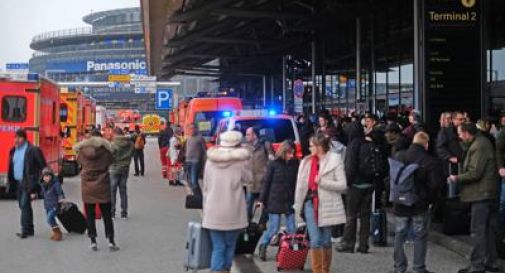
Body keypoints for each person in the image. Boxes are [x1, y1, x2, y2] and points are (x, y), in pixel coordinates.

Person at [448, 123, 499, 273]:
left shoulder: (479, 145)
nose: (459, 136)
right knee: (488, 230)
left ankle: (477, 265)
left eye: (460, 133)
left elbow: (475, 172)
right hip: (487, 193)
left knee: (478, 230)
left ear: (466, 133)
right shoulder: (480, 143)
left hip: (481, 194)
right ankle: (490, 262)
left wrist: (456, 178)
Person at [294, 133, 347, 273]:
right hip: (310, 203)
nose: (309, 148)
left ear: (319, 147)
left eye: (311, 146)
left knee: (326, 241)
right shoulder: (306, 161)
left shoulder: (335, 160)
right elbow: (300, 187)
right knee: (315, 240)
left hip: (327, 204)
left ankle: (325, 270)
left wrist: (322, 182)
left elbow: (343, 185)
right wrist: (297, 206)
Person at [202, 131, 252, 273]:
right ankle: (226, 269)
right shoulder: (240, 161)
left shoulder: (210, 161)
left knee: (218, 246)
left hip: (213, 210)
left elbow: (205, 185)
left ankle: (216, 270)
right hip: (233, 210)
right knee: (230, 245)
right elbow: (249, 179)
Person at [393, 132, 441, 273]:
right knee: (420, 236)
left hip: (400, 203)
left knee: (399, 235)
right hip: (419, 204)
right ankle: (418, 267)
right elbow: (434, 185)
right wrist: (429, 201)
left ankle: (399, 267)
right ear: (426, 144)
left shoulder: (399, 156)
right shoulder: (429, 160)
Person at [338, 122, 387, 254]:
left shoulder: (353, 145)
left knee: (351, 215)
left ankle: (348, 244)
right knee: (365, 216)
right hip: (370, 184)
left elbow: (350, 167)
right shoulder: (370, 144)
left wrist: (346, 183)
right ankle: (363, 245)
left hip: (355, 185)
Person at [74, 130, 119, 251]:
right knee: (107, 215)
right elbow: (111, 161)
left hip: (87, 186)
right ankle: (111, 241)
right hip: (103, 184)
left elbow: (78, 161)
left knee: (90, 215)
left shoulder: (82, 150)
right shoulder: (105, 151)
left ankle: (93, 241)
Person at [256, 140, 299, 261]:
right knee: (273, 228)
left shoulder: (295, 163)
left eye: (293, 153)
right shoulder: (273, 164)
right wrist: (261, 199)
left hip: (289, 200)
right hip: (274, 199)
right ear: (283, 152)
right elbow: (266, 183)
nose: (291, 156)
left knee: (292, 229)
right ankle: (263, 245)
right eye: (289, 153)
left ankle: (286, 251)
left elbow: (296, 182)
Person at [8, 129, 47, 239]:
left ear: (24, 139)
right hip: (17, 182)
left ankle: (25, 230)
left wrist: (40, 181)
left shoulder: (33, 150)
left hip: (29, 182)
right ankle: (30, 228)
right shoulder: (13, 151)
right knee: (22, 205)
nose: (17, 140)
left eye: (19, 138)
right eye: (15, 137)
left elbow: (42, 165)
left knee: (25, 204)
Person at [245, 126, 272, 220]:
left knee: (264, 205)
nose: (246, 136)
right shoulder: (246, 147)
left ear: (255, 135)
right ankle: (246, 224)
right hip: (251, 182)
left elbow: (272, 161)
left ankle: (262, 224)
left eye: (248, 134)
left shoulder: (265, 145)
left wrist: (266, 173)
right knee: (248, 204)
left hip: (262, 181)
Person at [110, 127, 134, 219]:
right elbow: (132, 153)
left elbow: (110, 155)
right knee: (123, 191)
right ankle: (124, 213)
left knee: (113, 191)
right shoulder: (130, 143)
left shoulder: (113, 144)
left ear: (115, 134)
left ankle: (112, 213)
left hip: (114, 169)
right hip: (125, 169)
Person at [40, 167, 65, 241]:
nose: (46, 178)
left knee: (49, 219)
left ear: (51, 176)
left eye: (48, 176)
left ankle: (58, 233)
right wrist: (35, 195)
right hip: (47, 205)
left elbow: (60, 192)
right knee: (51, 219)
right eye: (44, 176)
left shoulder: (56, 184)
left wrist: (61, 198)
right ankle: (56, 232)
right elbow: (42, 195)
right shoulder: (43, 185)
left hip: (55, 205)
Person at [185, 124, 207, 195]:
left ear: (196, 129)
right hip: (188, 161)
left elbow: (204, 150)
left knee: (194, 180)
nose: (191, 130)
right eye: (189, 129)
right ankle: (195, 195)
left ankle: (198, 196)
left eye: (192, 128)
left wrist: (204, 162)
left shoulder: (200, 138)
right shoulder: (188, 138)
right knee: (189, 180)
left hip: (195, 161)